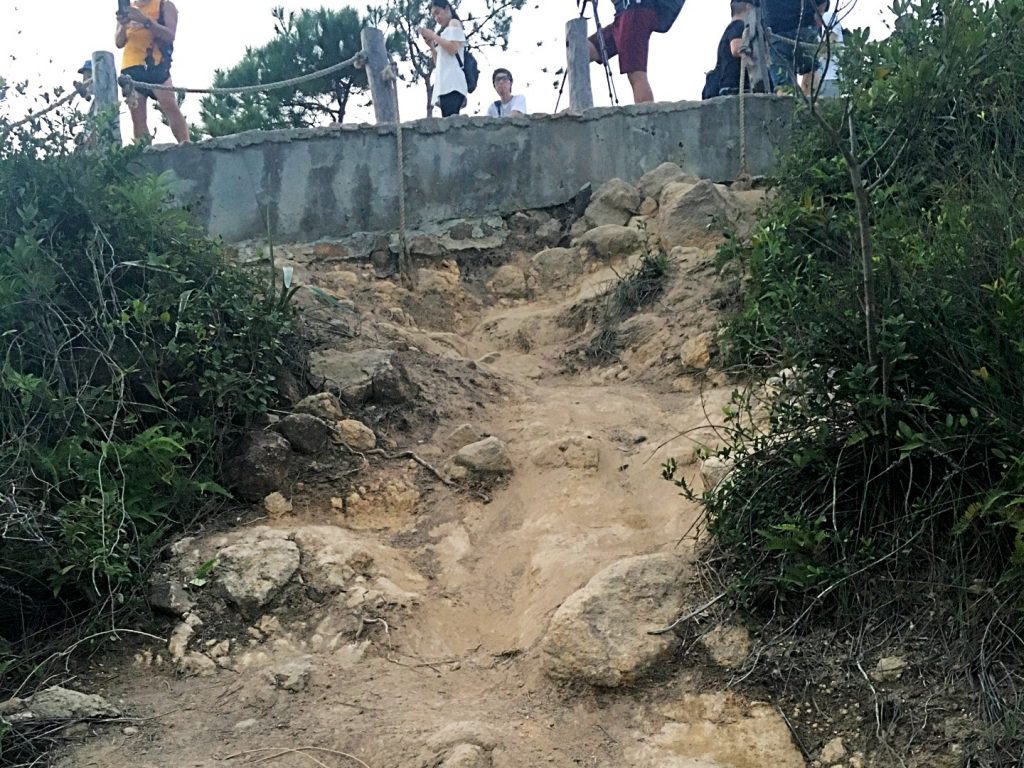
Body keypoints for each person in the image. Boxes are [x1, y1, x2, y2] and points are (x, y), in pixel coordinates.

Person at [115, 0, 189, 143]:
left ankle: (186, 144)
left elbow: (170, 35)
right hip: (131, 65)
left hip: (156, 63)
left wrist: (145, 20)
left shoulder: (164, 5)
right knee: (138, 117)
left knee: (170, 106)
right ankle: (143, 150)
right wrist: (123, 24)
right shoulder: (129, 8)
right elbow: (119, 42)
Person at [588, 0, 658, 104]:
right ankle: (578, 102)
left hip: (633, 12)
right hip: (623, 14)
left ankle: (647, 112)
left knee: (636, 73)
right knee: (582, 50)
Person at [418, 0, 468, 117]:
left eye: (438, 12)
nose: (437, 18)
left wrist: (433, 36)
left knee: (451, 119)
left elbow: (453, 48)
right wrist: (431, 46)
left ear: (447, 9)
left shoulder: (454, 23)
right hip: (445, 84)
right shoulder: (445, 32)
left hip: (452, 83)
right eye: (434, 16)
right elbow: (439, 62)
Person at [760, 0, 822, 92]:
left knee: (783, 84)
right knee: (811, 72)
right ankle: (811, 99)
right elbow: (822, 3)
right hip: (804, 28)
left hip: (776, 32)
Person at [703, 1, 761, 98]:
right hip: (734, 87)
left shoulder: (730, 29)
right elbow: (736, 48)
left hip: (727, 84)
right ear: (749, 7)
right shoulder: (739, 25)